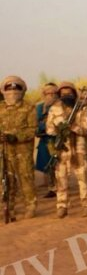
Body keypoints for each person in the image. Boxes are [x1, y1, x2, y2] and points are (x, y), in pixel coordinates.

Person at [46, 82, 87, 218]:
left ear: (74, 93)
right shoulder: (54, 108)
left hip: (79, 148)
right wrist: (59, 129)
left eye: (69, 93)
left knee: (83, 177)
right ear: (59, 94)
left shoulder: (82, 108)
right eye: (63, 93)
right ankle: (62, 206)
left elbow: (85, 129)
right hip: (61, 148)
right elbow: (49, 129)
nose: (67, 96)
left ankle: (86, 204)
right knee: (61, 178)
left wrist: (72, 127)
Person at [0, 76, 38, 220]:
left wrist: (16, 137)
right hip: (4, 150)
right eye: (9, 90)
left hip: (23, 151)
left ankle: (30, 206)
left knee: (26, 178)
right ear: (4, 91)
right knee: (6, 179)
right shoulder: (0, 108)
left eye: (16, 90)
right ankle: (9, 208)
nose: (13, 92)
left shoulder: (29, 107)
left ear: (22, 91)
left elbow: (32, 129)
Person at [36, 83, 59, 198]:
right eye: (48, 93)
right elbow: (35, 123)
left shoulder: (61, 106)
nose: (51, 95)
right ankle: (52, 188)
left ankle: (60, 186)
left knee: (59, 164)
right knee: (47, 164)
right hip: (45, 140)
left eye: (53, 93)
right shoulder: (40, 107)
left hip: (58, 139)